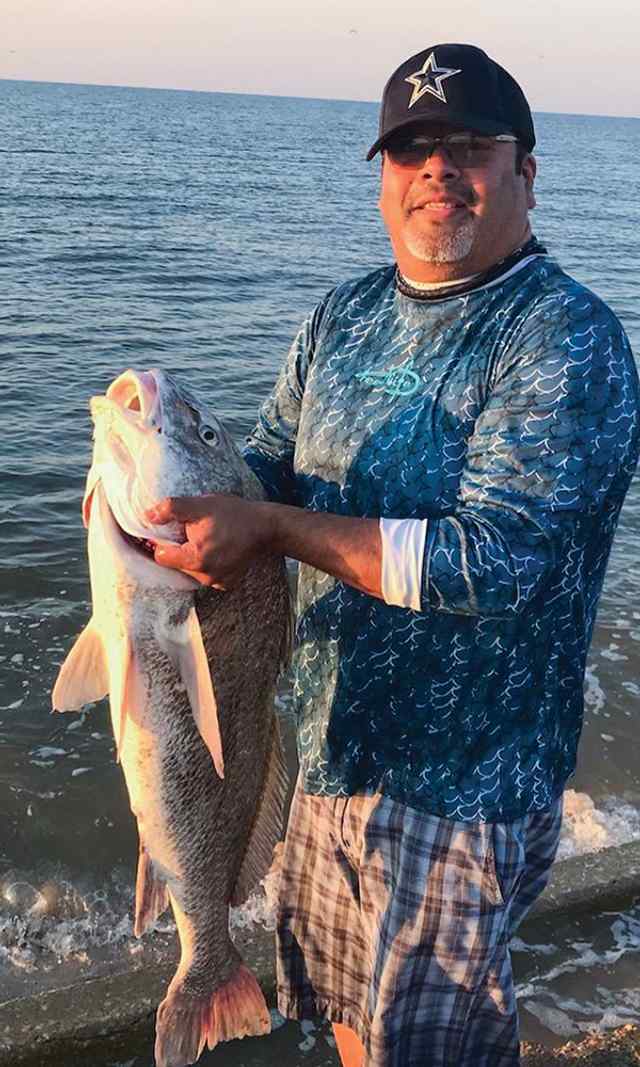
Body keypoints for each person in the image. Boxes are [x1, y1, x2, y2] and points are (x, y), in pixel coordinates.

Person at [146, 43, 640, 1067]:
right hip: (323, 752)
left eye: (468, 145)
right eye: (410, 148)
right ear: (381, 172)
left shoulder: (564, 339)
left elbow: (499, 560)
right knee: (352, 1024)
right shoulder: (345, 313)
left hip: (461, 796)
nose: (436, 168)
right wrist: (175, 504)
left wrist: (272, 531)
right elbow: (273, 463)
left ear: (526, 169)